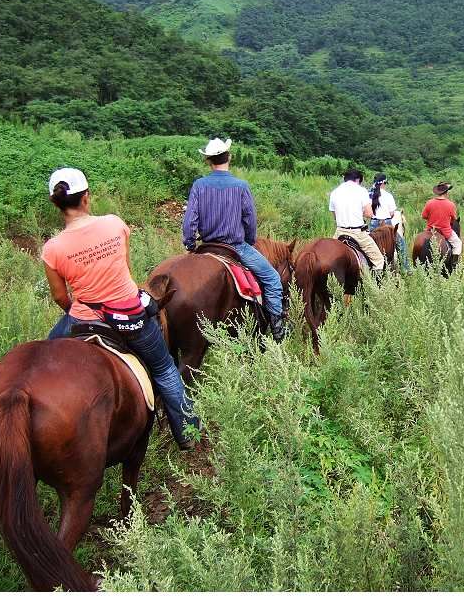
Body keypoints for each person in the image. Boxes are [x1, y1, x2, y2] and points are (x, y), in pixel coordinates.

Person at [42, 167, 200, 450]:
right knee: (164, 369)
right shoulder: (115, 224)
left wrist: (78, 310)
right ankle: (187, 432)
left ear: (56, 203)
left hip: (84, 319)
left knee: (42, 360)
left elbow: (59, 297)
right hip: (131, 316)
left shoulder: (52, 248)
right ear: (86, 197)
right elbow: (126, 270)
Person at [182, 137, 285, 342]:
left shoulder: (199, 185)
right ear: (229, 157)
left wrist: (191, 244)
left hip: (207, 246)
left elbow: (189, 219)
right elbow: (250, 219)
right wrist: (249, 239)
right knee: (273, 279)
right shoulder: (241, 185)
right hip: (235, 247)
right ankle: (278, 330)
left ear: (209, 161)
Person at [329, 168, 386, 272]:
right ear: (358, 179)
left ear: (344, 179)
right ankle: (374, 286)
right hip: (357, 233)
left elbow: (335, 216)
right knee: (379, 260)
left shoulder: (334, 192)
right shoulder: (361, 190)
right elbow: (369, 214)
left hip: (339, 232)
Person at [369, 173, 410, 272]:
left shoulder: (369, 194)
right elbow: (392, 213)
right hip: (387, 224)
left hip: (374, 223)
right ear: (383, 183)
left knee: (369, 244)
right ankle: (405, 268)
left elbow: (367, 212)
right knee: (401, 244)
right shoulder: (388, 196)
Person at [422, 181, 462, 270]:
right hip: (445, 231)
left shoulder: (429, 202)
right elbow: (453, 219)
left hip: (430, 230)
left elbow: (424, 216)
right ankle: (454, 265)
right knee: (458, 243)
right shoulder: (451, 204)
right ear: (446, 193)